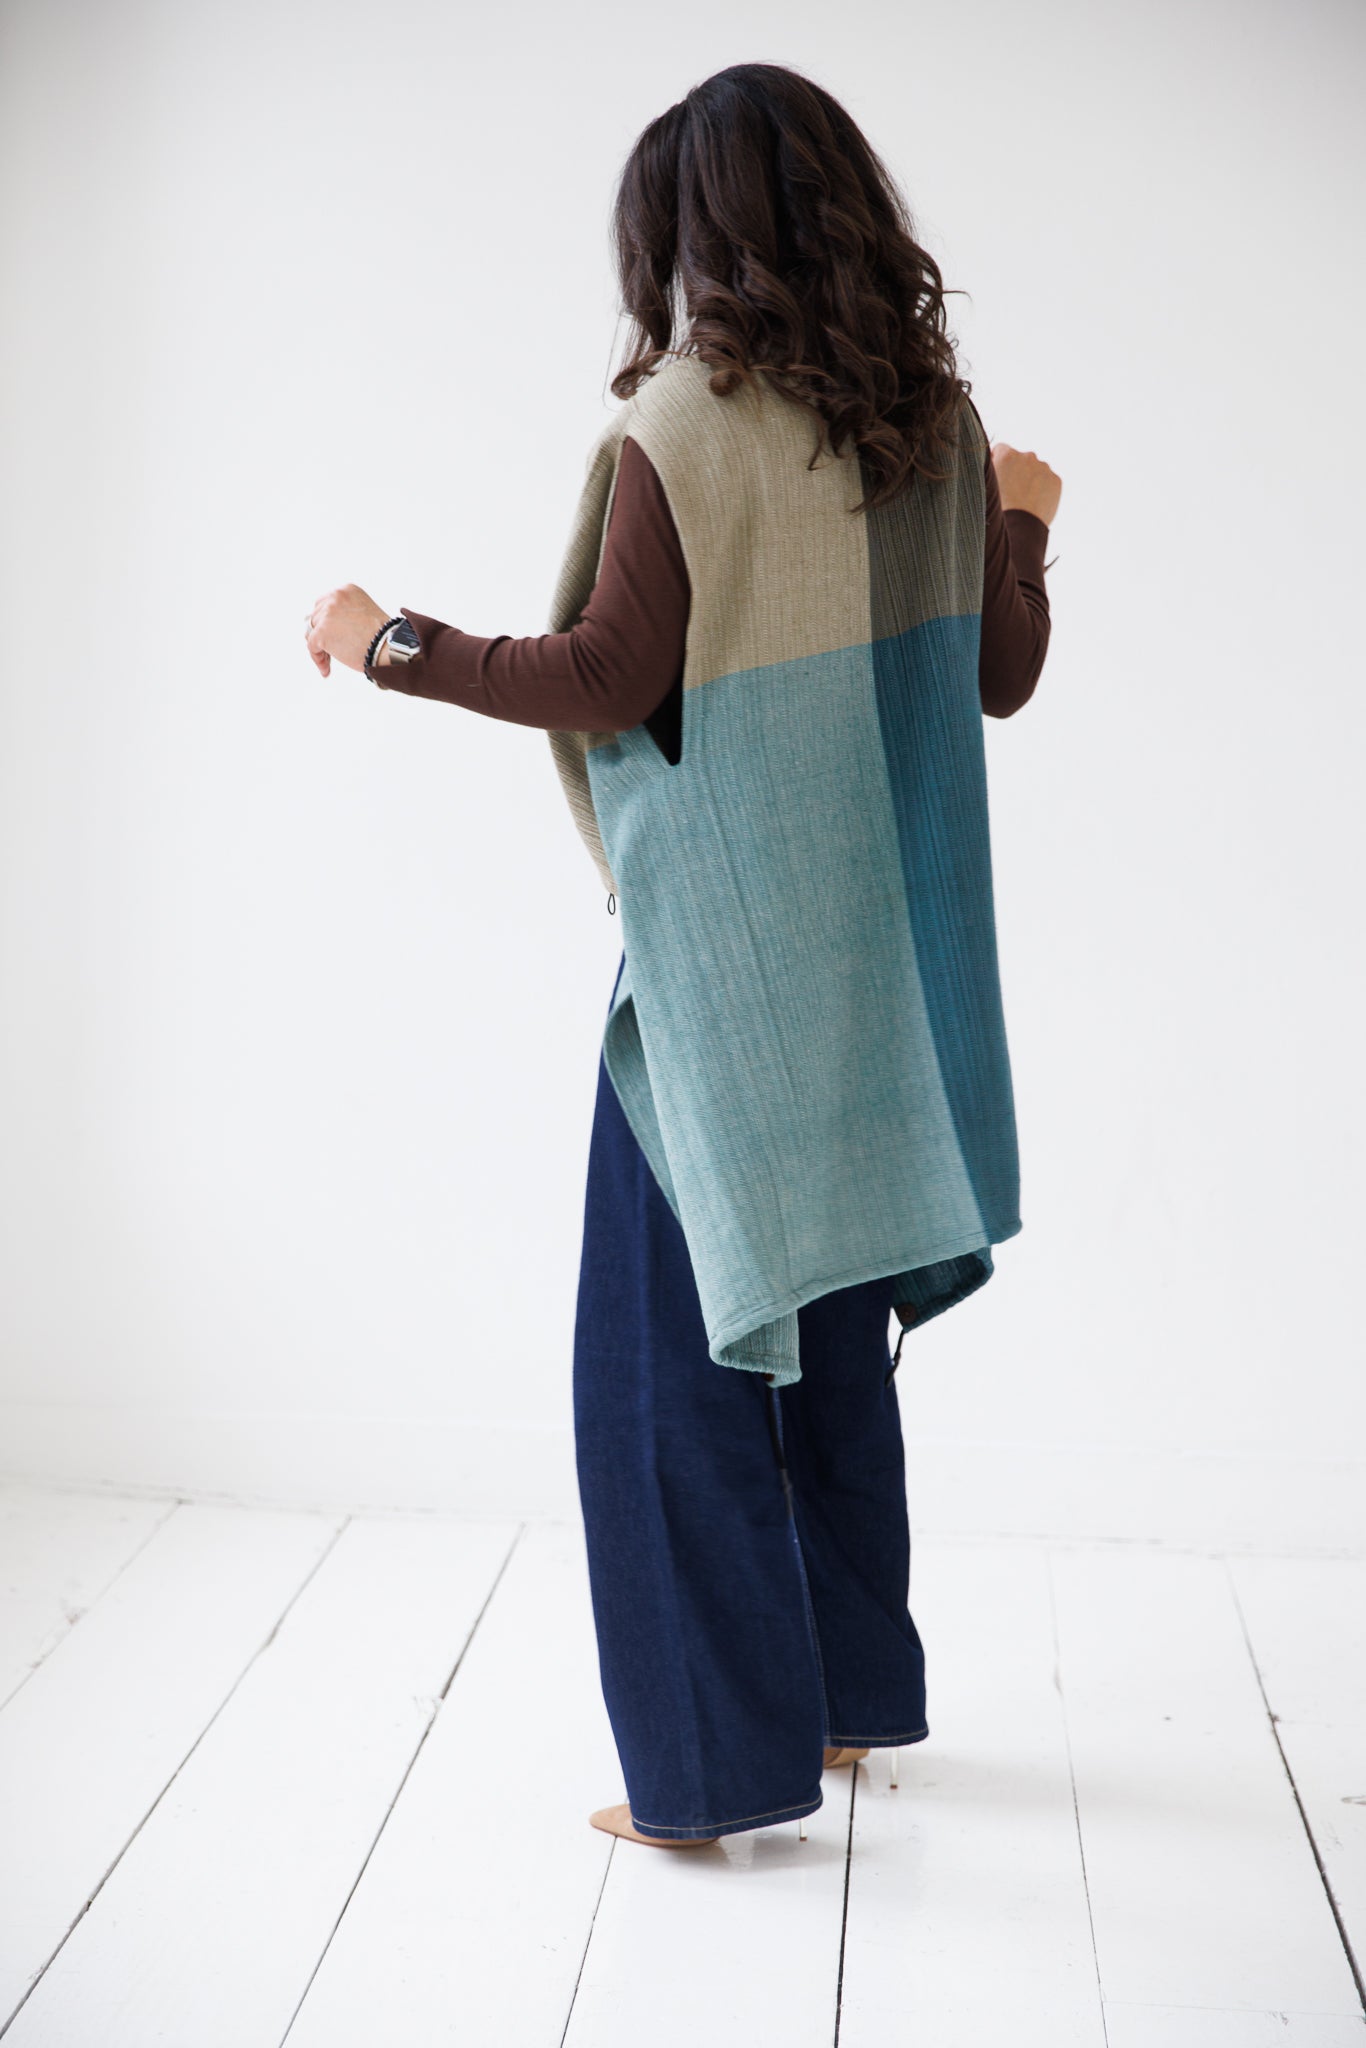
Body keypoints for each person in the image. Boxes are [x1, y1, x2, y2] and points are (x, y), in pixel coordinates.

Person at [304, 61, 1060, 1850]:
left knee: (666, 1364)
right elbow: (998, 676)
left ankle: (714, 1777)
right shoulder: (930, 425)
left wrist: (386, 638)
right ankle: (848, 1701)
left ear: (688, 236)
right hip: (883, 974)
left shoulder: (682, 426)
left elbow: (605, 675)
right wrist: (1021, 521)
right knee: (830, 1320)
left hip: (729, 979)